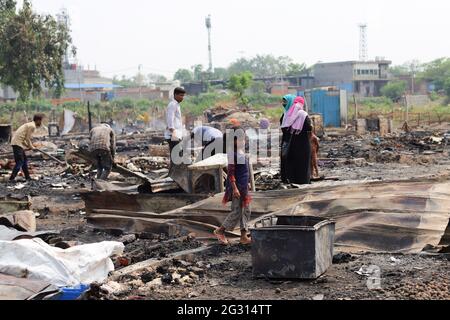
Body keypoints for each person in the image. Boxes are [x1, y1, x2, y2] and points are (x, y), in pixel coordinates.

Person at [214, 127, 252, 245]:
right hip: (237, 188)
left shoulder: (241, 152)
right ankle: (220, 231)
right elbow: (231, 173)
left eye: (243, 138)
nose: (242, 141)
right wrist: (234, 188)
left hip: (243, 187)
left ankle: (243, 236)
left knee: (246, 210)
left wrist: (248, 182)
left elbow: (245, 170)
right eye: (239, 139)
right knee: (236, 211)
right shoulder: (233, 154)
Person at [280, 95, 313, 184]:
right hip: (303, 144)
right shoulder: (303, 114)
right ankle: (303, 181)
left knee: (292, 164)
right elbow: (309, 127)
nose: (283, 104)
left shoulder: (287, 115)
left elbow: (284, 129)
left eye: (285, 102)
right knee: (303, 164)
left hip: (290, 144)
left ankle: (291, 180)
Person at [9, 114, 44, 181]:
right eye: (40, 121)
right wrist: (32, 147)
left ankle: (27, 177)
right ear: (37, 120)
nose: (41, 123)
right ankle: (12, 178)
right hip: (17, 144)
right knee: (20, 162)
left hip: (17, 143)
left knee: (24, 161)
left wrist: (29, 146)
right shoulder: (32, 126)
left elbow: (24, 138)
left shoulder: (29, 124)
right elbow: (27, 139)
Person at [165, 87, 186, 163]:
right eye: (181, 95)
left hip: (176, 134)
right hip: (173, 134)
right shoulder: (173, 105)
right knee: (176, 155)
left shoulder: (176, 105)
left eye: (183, 96)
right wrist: (173, 131)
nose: (182, 97)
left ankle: (175, 172)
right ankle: (175, 173)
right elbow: (170, 119)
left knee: (178, 154)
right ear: (175, 95)